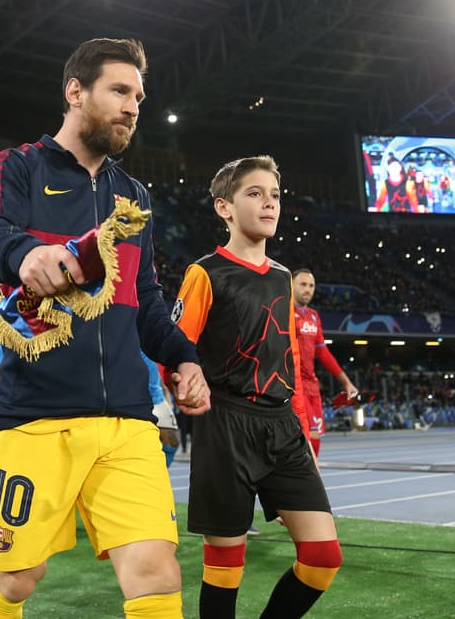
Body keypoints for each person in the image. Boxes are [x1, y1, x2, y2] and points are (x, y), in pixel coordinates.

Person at [0, 38, 209, 619]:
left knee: (155, 570)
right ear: (75, 92)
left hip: (127, 420)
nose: (133, 106)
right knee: (16, 578)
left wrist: (184, 357)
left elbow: (146, 299)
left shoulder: (134, 196)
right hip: (35, 417)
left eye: (139, 97)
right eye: (120, 91)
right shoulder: (18, 165)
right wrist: (25, 254)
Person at [173, 155, 342, 618]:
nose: (269, 203)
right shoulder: (205, 272)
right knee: (226, 566)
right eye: (255, 193)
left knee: (324, 557)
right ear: (224, 208)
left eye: (275, 195)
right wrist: (183, 382)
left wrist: (301, 425)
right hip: (225, 422)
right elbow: (177, 346)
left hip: (282, 423)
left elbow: (286, 355)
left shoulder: (286, 278)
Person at [291, 269, 357, 458]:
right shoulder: (283, 312)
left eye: (311, 286)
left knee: (315, 435)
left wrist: (345, 381)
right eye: (303, 284)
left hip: (312, 386)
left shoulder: (313, 316)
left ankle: (310, 479)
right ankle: (310, 481)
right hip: (294, 383)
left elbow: (323, 352)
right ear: (291, 285)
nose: (308, 289)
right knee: (306, 436)